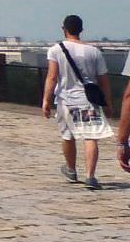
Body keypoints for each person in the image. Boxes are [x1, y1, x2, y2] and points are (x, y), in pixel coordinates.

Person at [44, 14, 110, 189]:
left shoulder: (56, 50)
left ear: (64, 29)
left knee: (68, 136)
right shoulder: (94, 51)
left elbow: (52, 77)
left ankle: (71, 170)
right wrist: (108, 102)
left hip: (65, 99)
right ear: (81, 30)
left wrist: (46, 100)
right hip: (88, 100)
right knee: (91, 137)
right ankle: (91, 176)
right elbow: (103, 80)